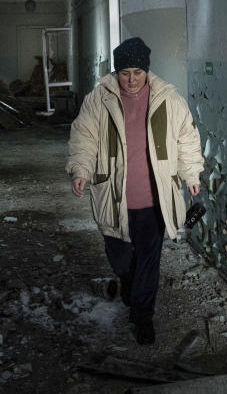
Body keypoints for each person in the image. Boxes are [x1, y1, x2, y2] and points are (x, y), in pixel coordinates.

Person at [66, 37, 203, 345]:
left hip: (154, 198)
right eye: (125, 72)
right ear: (117, 71)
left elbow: (187, 139)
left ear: (146, 71)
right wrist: (81, 169)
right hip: (114, 197)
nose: (131, 80)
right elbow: (83, 137)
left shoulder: (169, 100)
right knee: (120, 259)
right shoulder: (99, 99)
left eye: (137, 73)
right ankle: (128, 283)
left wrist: (191, 173)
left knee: (148, 260)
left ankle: (143, 316)